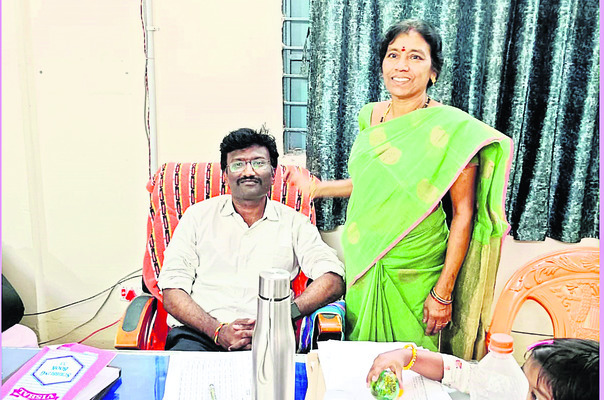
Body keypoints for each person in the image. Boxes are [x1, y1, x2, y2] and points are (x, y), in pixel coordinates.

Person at [286, 19, 512, 357]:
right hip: (364, 257)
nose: (401, 65)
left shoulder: (454, 130)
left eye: (416, 57)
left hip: (415, 264)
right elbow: (375, 183)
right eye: (393, 55)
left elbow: (464, 214)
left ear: (433, 72)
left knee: (414, 362)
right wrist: (319, 189)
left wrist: (443, 292)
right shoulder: (370, 116)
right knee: (362, 361)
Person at [157, 127, 345, 351]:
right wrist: (217, 331)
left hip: (272, 335)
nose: (249, 171)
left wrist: (280, 316)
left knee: (282, 373)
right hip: (200, 335)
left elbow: (332, 279)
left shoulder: (295, 223)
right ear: (226, 175)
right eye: (238, 164)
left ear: (273, 174)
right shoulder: (197, 217)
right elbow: (172, 290)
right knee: (187, 372)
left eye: (258, 163)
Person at [366, 338, 599, 400]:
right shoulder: (510, 389)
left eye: (535, 397)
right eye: (520, 372)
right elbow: (460, 372)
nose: (519, 391)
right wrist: (404, 356)